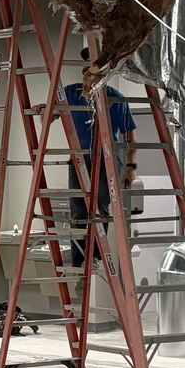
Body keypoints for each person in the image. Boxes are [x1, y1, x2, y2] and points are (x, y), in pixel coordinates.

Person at [62, 49, 137, 267]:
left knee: (101, 209)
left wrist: (131, 166)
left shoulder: (116, 98)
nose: (88, 68)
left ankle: (94, 257)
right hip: (79, 160)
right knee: (78, 211)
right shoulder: (72, 93)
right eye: (86, 63)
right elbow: (52, 112)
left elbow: (130, 134)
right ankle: (80, 261)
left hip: (107, 160)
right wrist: (44, 109)